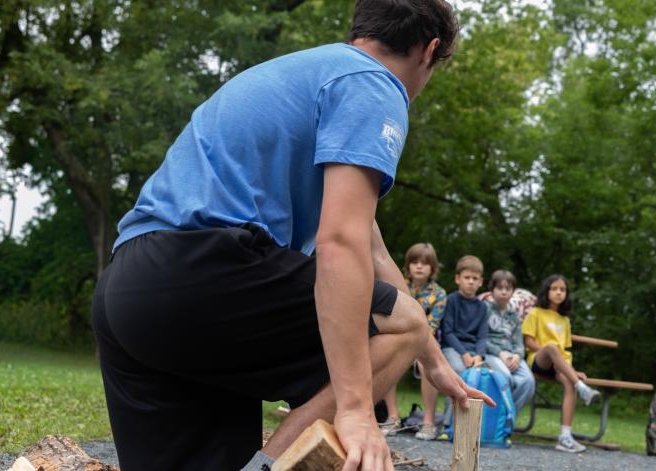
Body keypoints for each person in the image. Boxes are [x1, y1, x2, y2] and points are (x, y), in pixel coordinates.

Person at [89, 2, 494, 470]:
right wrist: (357, 409)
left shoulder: (307, 74)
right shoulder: (373, 84)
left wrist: (431, 358)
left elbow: (370, 243)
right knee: (402, 320)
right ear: (430, 50)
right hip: (202, 275)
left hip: (128, 295)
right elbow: (341, 242)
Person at [522, 274, 601, 453]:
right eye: (554, 289)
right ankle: (582, 388)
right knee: (551, 347)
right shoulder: (535, 313)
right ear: (546, 291)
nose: (558, 292)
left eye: (562, 289)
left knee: (568, 382)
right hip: (539, 360)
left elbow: (565, 352)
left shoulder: (564, 320)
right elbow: (529, 342)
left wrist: (570, 371)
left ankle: (565, 437)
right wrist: (552, 354)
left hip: (560, 365)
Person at [377, 242, 446, 435]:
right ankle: (393, 417)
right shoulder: (396, 287)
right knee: (386, 354)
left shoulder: (439, 294)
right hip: (400, 340)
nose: (419, 266)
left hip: (426, 342)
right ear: (407, 266)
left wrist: (417, 349)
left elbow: (432, 325)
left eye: (424, 263)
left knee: (427, 364)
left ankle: (428, 421)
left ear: (432, 268)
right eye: (414, 262)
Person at [416, 255, 488, 440]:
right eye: (467, 277)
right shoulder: (451, 300)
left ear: (480, 282)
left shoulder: (482, 307)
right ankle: (450, 425)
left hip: (474, 351)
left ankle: (481, 426)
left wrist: (479, 355)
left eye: (475, 279)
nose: (471, 282)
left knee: (490, 375)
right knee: (459, 371)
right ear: (458, 279)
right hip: (452, 349)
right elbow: (448, 333)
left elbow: (482, 336)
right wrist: (464, 353)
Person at [483, 270, 536, 411]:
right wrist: (500, 353)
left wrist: (518, 356)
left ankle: (508, 418)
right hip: (492, 354)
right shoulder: (484, 309)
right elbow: (481, 338)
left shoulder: (514, 315)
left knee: (528, 381)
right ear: (491, 290)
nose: (504, 292)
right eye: (500, 288)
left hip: (512, 355)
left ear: (513, 291)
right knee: (505, 377)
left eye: (508, 289)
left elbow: (519, 342)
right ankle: (498, 417)